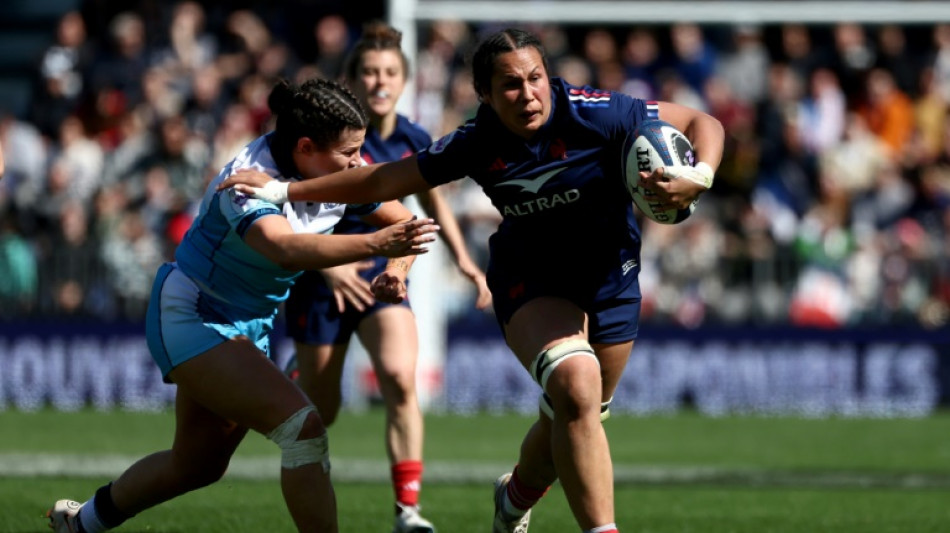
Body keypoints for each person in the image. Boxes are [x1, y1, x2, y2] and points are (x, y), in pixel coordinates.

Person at [221, 28, 724, 533]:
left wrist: (698, 175)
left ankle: (513, 497)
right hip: (532, 279)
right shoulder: (477, 141)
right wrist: (286, 189)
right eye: (509, 84)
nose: (527, 94)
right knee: (575, 386)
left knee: (571, 415)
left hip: (612, 279)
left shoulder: (599, 112)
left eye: (535, 78)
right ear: (484, 94)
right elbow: (381, 180)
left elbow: (704, 122)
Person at [47, 77, 439, 533]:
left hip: (248, 325)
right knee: (303, 428)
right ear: (306, 147)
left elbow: (407, 224)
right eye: (349, 154)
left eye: (359, 151)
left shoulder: (327, 163)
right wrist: (372, 242)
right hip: (194, 314)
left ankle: (80, 523)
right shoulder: (246, 177)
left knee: (196, 465)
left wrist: (396, 270)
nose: (358, 164)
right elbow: (284, 250)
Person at [282, 21, 491, 533]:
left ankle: (408, 512)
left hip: (382, 274)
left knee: (400, 378)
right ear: (352, 79)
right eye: (370, 72)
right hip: (319, 275)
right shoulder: (328, 136)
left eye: (390, 73)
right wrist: (329, 268)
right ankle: (296, 377)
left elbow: (430, 201)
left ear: (404, 80)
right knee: (321, 413)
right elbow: (287, 216)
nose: (380, 82)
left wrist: (461, 260)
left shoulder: (414, 137)